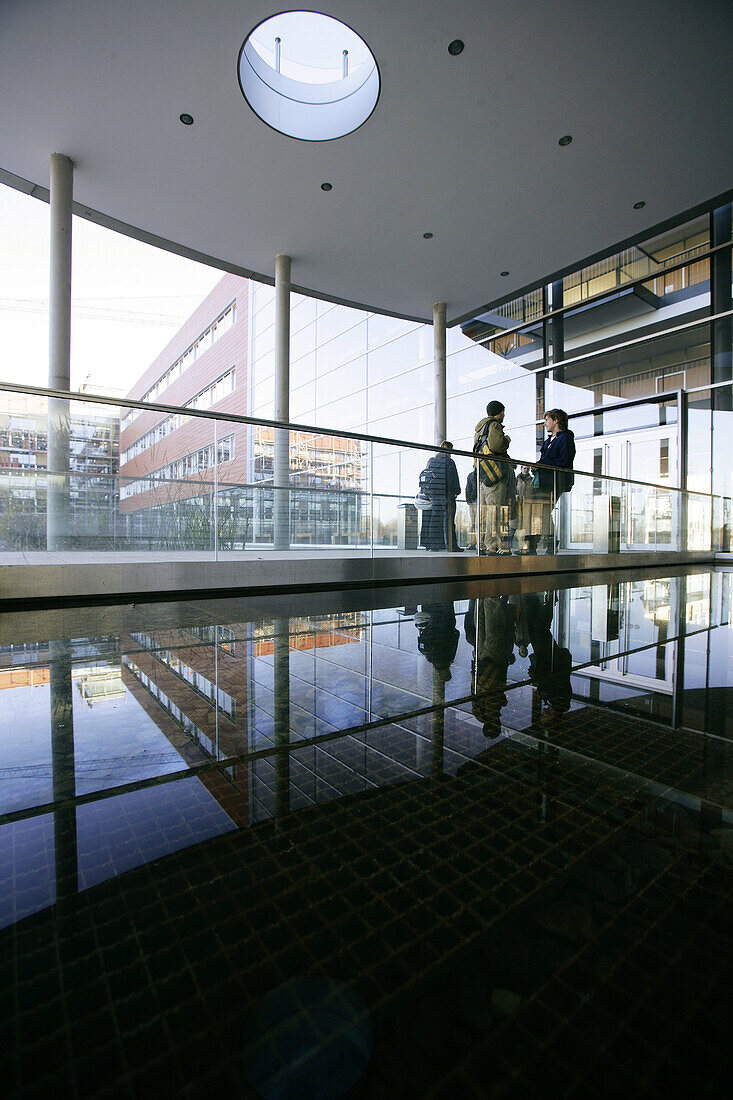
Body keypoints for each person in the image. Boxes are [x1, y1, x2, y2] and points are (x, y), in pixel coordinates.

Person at [522, 407, 575, 554]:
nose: (545, 424)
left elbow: (565, 461)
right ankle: (536, 544)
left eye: (547, 420)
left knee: (544, 512)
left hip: (556, 481)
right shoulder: (548, 441)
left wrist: (542, 466)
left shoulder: (566, 438)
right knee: (537, 512)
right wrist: (538, 467)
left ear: (556, 420)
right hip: (546, 481)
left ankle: (547, 543)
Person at [473, 400, 512, 554]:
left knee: (482, 512)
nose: (504, 415)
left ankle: (480, 544)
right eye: (503, 411)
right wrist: (506, 441)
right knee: (494, 511)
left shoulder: (480, 427)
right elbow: (496, 445)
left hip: (484, 474)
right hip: (494, 474)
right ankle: (492, 546)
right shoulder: (494, 425)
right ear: (499, 411)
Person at [419, 443, 461, 552]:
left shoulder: (433, 462)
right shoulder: (449, 462)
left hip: (435, 496)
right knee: (449, 521)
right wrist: (457, 491)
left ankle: (434, 545)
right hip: (447, 495)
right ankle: (452, 546)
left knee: (435, 520)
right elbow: (453, 479)